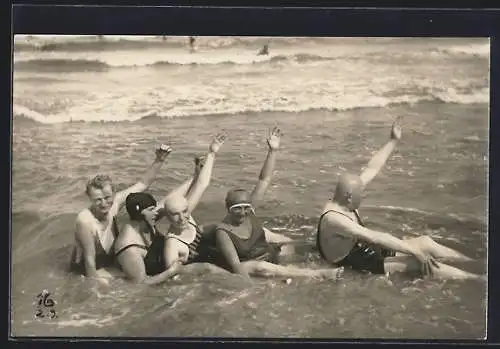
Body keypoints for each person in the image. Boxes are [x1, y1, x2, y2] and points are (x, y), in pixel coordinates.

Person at [316, 116, 483, 280]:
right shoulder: (333, 219)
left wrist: (392, 141)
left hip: (365, 247)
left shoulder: (346, 197)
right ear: (349, 197)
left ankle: (475, 263)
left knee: (426, 242)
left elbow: (372, 167)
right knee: (417, 263)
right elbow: (375, 236)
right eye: (361, 195)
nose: (364, 196)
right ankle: (476, 278)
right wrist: (415, 252)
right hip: (356, 260)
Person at [214, 126, 344, 280]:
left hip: (269, 255)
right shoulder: (223, 233)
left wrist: (273, 151)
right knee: (258, 266)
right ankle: (318, 275)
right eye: (237, 209)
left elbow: (264, 180)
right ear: (228, 208)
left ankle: (342, 259)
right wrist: (252, 290)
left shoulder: (250, 212)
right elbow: (236, 267)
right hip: (254, 267)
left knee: (303, 246)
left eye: (246, 207)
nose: (243, 212)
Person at [113, 134, 226, 284]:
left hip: (170, 262)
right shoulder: (129, 247)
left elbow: (175, 196)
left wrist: (196, 174)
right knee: (207, 268)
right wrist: (172, 271)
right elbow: (141, 284)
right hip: (161, 275)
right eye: (152, 210)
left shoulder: (146, 218)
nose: (157, 212)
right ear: (139, 214)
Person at [68, 144, 172, 280]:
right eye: (97, 200)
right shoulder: (85, 221)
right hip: (86, 269)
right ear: (89, 198)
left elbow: (142, 184)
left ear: (114, 193)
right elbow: (89, 262)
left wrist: (159, 160)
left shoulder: (115, 203)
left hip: (109, 261)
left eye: (107, 198)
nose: (104, 204)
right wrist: (94, 291)